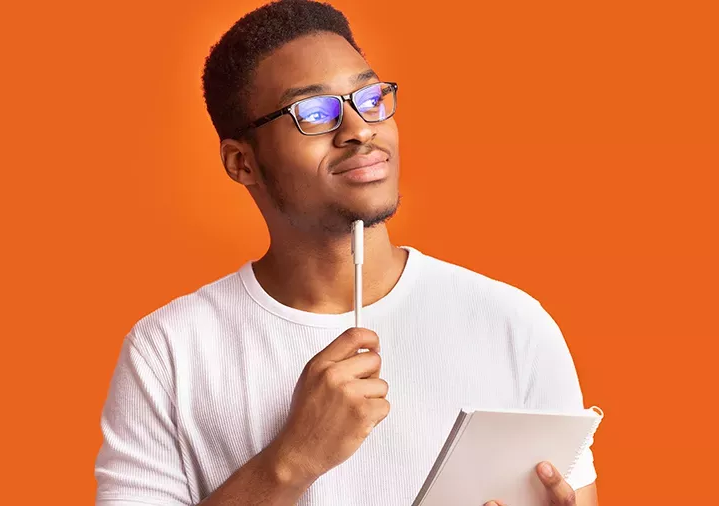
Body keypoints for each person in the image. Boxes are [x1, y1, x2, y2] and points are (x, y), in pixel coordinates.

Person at [93, 1, 599, 505]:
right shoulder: (168, 352)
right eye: (314, 113)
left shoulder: (512, 324)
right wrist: (293, 460)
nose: (359, 129)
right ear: (242, 162)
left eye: (369, 97)